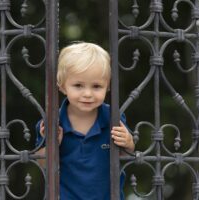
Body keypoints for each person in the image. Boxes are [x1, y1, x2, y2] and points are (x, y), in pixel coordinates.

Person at [36, 42, 135, 200]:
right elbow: (41, 164)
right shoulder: (52, 121)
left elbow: (126, 156)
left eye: (96, 86)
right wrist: (52, 144)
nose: (87, 93)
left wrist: (128, 142)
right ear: (62, 86)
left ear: (108, 86)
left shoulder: (113, 117)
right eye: (78, 85)